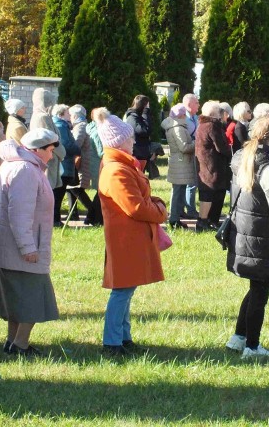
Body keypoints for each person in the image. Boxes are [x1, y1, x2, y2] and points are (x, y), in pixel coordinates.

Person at [95, 107, 167, 357]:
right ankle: (112, 342)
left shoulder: (121, 166)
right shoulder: (117, 170)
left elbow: (138, 200)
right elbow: (136, 207)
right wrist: (160, 210)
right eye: (130, 138)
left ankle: (123, 338)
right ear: (120, 141)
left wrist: (154, 203)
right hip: (125, 239)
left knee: (126, 290)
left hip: (129, 238)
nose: (134, 140)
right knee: (122, 291)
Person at [0, 129, 60, 357]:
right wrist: (28, 247)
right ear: (36, 150)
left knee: (18, 300)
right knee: (33, 299)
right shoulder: (26, 170)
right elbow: (19, 213)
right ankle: (19, 345)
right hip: (20, 248)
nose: (52, 155)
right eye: (50, 150)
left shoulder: (24, 166)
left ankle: (13, 342)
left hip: (13, 246)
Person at [225, 117, 269, 359]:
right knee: (260, 292)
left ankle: (238, 338)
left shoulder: (244, 158)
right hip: (262, 235)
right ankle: (252, 347)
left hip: (244, 232)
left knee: (255, 286)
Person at [194, 101, 232, 232]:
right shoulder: (212, 126)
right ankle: (205, 221)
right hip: (213, 165)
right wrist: (230, 151)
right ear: (214, 114)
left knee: (209, 194)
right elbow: (221, 147)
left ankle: (206, 221)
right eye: (219, 111)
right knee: (211, 195)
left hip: (206, 165)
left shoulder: (202, 125)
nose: (221, 114)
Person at [29, 88, 66, 212]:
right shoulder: (42, 117)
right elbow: (49, 140)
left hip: (51, 156)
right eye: (51, 102)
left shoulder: (44, 116)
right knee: (46, 191)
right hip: (47, 158)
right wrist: (62, 152)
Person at [161, 103, 195, 229]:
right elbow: (184, 147)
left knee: (179, 191)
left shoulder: (175, 126)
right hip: (181, 162)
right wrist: (196, 143)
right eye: (184, 114)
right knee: (177, 192)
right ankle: (174, 219)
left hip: (179, 162)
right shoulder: (177, 128)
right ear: (180, 115)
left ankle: (177, 216)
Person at [52, 104, 81, 225]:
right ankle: (56, 219)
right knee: (58, 193)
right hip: (63, 164)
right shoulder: (61, 126)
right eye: (68, 113)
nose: (70, 116)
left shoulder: (62, 125)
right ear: (61, 114)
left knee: (59, 193)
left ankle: (56, 219)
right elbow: (66, 144)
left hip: (64, 163)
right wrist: (78, 149)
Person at [67, 105, 93, 217]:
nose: (69, 118)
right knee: (71, 187)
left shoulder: (80, 126)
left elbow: (77, 143)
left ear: (75, 116)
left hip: (81, 162)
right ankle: (73, 213)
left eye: (71, 115)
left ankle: (93, 211)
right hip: (80, 161)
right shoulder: (80, 125)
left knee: (76, 189)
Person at [85, 109, 105, 226]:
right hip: (98, 164)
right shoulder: (97, 131)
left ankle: (91, 217)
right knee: (101, 192)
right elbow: (101, 151)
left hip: (94, 163)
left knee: (100, 193)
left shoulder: (90, 127)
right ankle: (94, 218)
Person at [183, 93, 200, 218]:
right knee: (190, 182)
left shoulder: (196, 118)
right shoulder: (183, 119)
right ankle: (190, 210)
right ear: (189, 104)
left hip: (195, 152)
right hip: (186, 153)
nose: (198, 105)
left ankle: (190, 208)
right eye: (196, 103)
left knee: (193, 181)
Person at [123, 94, 152, 166]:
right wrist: (145, 112)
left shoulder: (138, 116)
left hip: (141, 152)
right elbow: (145, 131)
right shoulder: (132, 117)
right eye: (147, 105)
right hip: (136, 153)